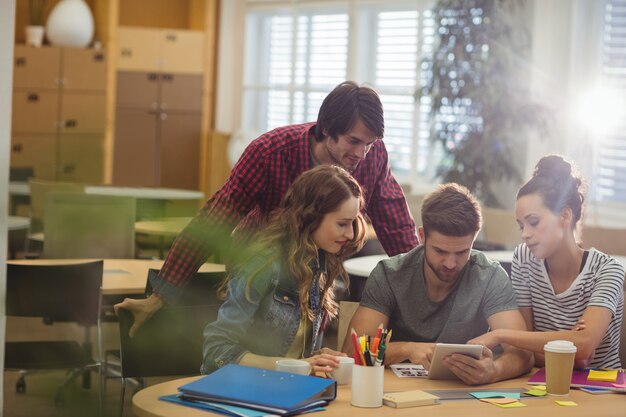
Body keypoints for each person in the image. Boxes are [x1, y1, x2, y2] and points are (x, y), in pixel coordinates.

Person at [115, 81, 419, 337]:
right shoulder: (271, 152)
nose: (362, 154)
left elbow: (396, 224)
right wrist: (162, 294)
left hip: (315, 277)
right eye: (355, 141)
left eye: (370, 143)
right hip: (259, 275)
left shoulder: (372, 156)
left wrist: (422, 285)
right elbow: (216, 218)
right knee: (253, 357)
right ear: (327, 128)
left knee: (303, 360)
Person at [342, 183, 533, 385]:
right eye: (440, 251)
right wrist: (408, 349)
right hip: (394, 392)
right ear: (422, 236)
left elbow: (522, 353)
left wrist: (494, 370)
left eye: (461, 253)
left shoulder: (490, 276)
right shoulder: (389, 275)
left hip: (462, 396)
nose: (450, 264)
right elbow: (351, 352)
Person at [201, 165, 367, 374]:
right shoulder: (265, 264)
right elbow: (216, 352)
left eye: (353, 223)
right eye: (342, 224)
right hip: (244, 391)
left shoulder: (317, 261)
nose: (351, 234)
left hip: (284, 389)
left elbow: (289, 348)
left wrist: (316, 357)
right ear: (310, 218)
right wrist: (299, 365)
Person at [470, 155, 624, 369]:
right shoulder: (524, 258)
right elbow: (524, 351)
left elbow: (585, 345)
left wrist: (502, 334)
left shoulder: (608, 270)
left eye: (534, 222)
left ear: (565, 216)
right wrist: (570, 347)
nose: (525, 234)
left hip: (601, 389)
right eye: (521, 226)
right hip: (541, 384)